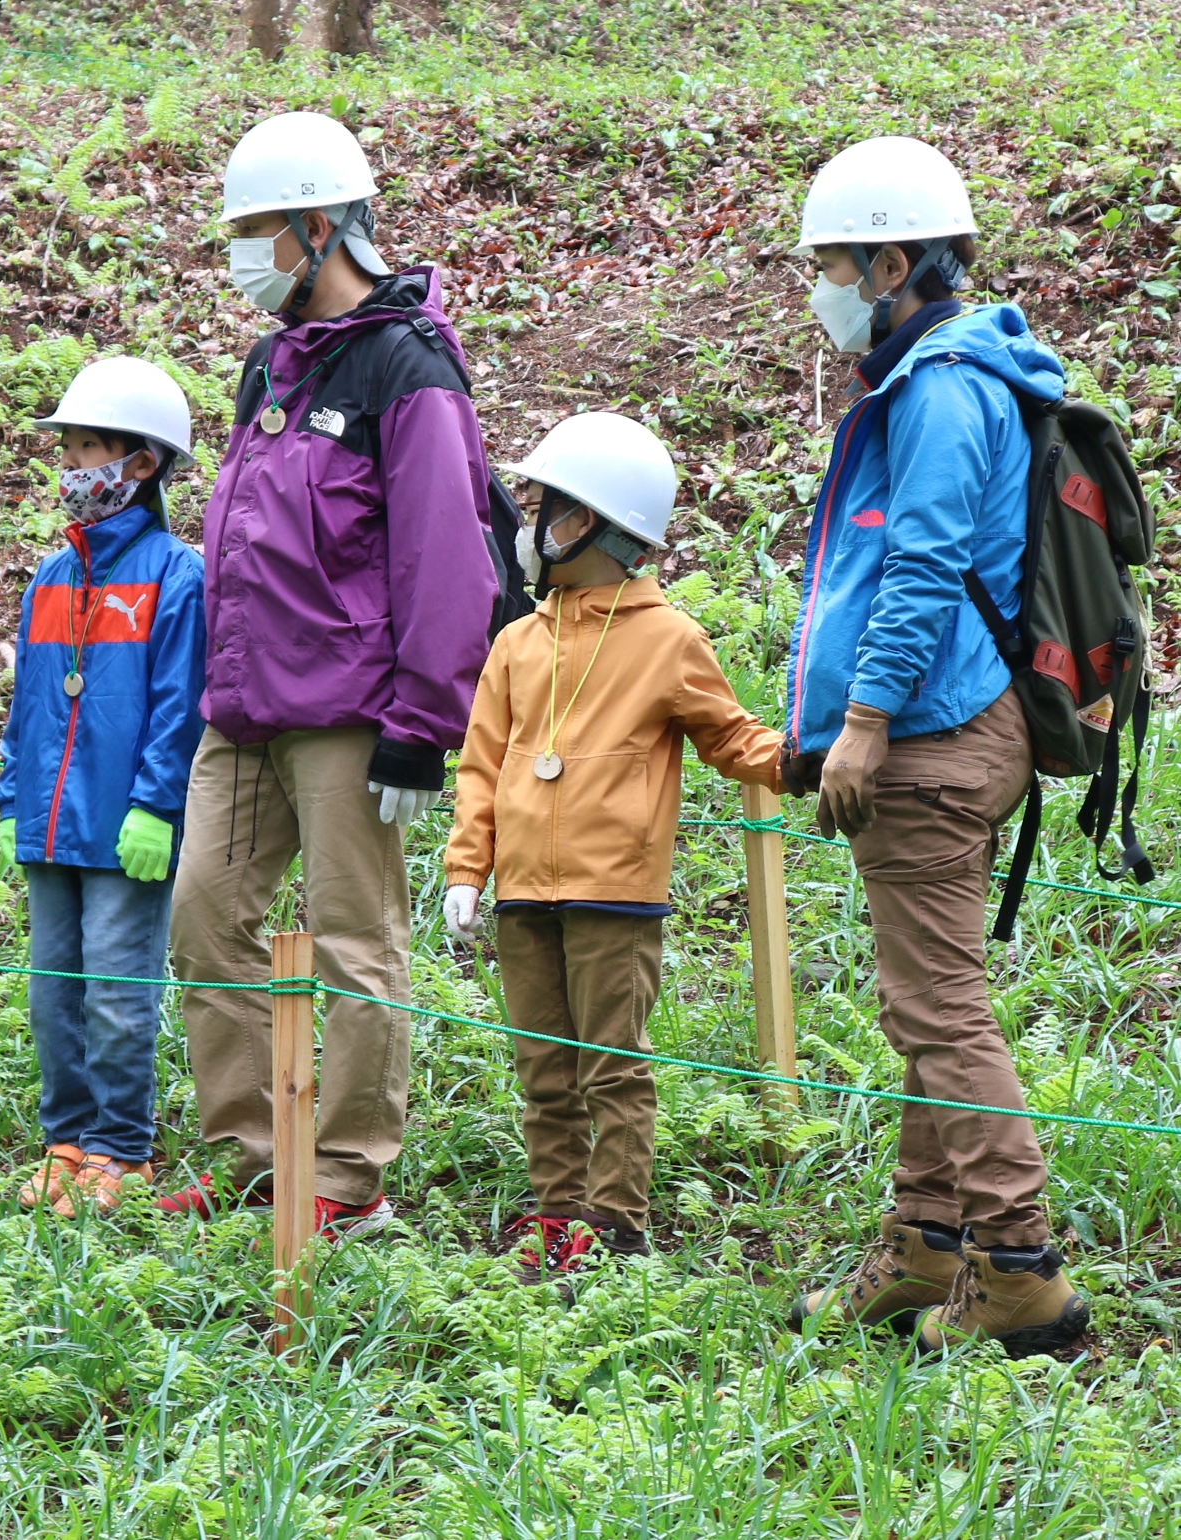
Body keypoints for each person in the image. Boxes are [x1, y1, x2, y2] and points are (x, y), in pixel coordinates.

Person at [163, 111, 500, 1236]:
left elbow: (446, 554)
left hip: (354, 713)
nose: (239, 255)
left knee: (356, 943)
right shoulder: (273, 359)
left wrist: (422, 722)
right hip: (245, 706)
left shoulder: (407, 364)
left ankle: (346, 1180)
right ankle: (252, 1153)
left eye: (255, 231)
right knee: (205, 917)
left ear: (317, 228)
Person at [781, 137, 1089, 1354]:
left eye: (832, 266)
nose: (818, 290)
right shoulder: (938, 372)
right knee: (924, 1000)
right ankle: (923, 1244)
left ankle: (1018, 1270)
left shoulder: (946, 385)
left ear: (892, 260)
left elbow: (917, 569)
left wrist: (861, 719)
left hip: (935, 727)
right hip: (951, 720)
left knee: (938, 1007)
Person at [442, 413, 789, 1276]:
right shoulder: (518, 643)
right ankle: (556, 1213)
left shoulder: (669, 639)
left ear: (588, 521)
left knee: (612, 1066)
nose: (527, 529)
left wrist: (814, 761)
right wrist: (466, 869)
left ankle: (618, 1222)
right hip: (524, 894)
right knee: (543, 1066)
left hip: (615, 896)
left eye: (542, 508)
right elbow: (481, 767)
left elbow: (731, 736)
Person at [0, 358, 206, 1218]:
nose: (71, 464)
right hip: (51, 823)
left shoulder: (175, 574)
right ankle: (67, 1139)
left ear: (141, 463)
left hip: (126, 829)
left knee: (120, 999)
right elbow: (31, 703)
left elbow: (179, 704)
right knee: (56, 997)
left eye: (87, 447)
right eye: (68, 447)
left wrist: (158, 805)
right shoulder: (51, 577)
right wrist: (15, 793)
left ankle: (125, 1147)